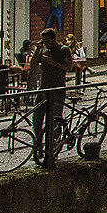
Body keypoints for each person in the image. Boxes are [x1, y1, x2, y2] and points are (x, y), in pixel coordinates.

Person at [32, 27, 80, 166]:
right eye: (43, 40)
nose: (45, 43)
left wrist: (53, 63)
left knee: (55, 119)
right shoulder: (43, 49)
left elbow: (69, 67)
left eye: (47, 40)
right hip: (43, 88)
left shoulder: (64, 49)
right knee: (37, 117)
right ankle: (39, 144)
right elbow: (34, 64)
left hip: (57, 88)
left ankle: (53, 147)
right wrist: (37, 50)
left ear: (54, 39)